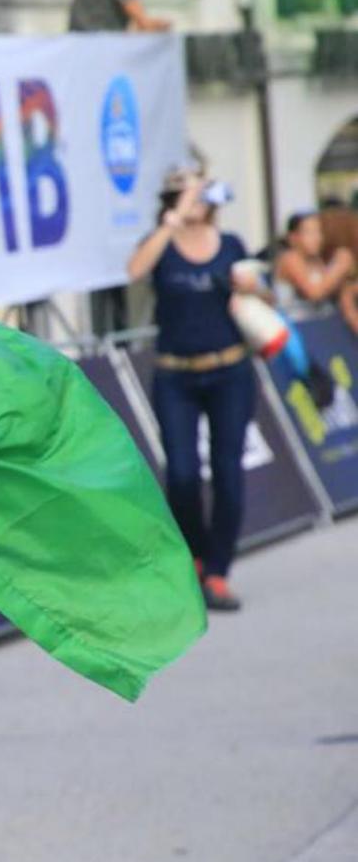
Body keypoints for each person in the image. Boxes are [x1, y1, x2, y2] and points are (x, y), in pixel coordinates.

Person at [126, 169, 258, 612]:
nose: (196, 200)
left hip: (229, 370)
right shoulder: (161, 242)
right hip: (175, 373)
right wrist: (173, 220)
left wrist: (256, 290)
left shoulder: (232, 244)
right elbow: (135, 271)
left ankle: (219, 571)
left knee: (228, 474)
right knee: (181, 473)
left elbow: (265, 299)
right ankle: (197, 557)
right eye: (185, 193)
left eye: (201, 193)